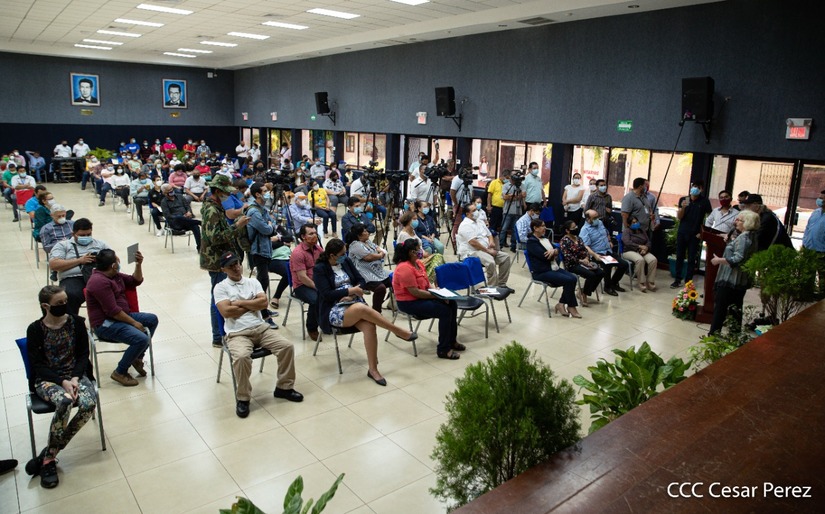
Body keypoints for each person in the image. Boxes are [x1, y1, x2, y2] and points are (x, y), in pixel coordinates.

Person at [314, 239, 416, 386]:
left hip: (353, 301)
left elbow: (361, 280)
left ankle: (373, 369)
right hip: (334, 308)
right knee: (361, 309)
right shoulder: (320, 269)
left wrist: (353, 294)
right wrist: (350, 290)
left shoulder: (346, 261)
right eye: (342, 254)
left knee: (370, 326)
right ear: (332, 255)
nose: (345, 256)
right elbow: (326, 294)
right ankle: (397, 330)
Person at [24, 285, 97, 488]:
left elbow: (83, 355)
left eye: (65, 301)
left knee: (88, 404)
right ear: (45, 306)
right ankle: (49, 462)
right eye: (59, 303)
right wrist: (62, 382)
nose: (65, 305)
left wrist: (74, 378)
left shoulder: (77, 323)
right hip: (48, 379)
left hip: (75, 375)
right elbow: (38, 365)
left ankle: (49, 453)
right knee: (65, 401)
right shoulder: (35, 329)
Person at [214, 251, 301, 418]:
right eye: (231, 266)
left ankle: (284, 388)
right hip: (237, 333)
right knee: (241, 357)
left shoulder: (253, 282)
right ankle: (243, 398)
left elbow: (263, 303)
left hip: (261, 328)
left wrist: (239, 303)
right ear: (223, 270)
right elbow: (226, 311)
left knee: (287, 347)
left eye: (237, 263)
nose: (236, 268)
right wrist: (252, 304)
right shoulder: (221, 287)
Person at [85, 249, 158, 387]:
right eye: (117, 260)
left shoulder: (114, 275)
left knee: (152, 319)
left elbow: (135, 281)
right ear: (113, 265)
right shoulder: (98, 282)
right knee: (141, 338)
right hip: (105, 323)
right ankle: (120, 371)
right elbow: (113, 311)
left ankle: (137, 357)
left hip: (123, 316)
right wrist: (134, 323)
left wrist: (138, 264)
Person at [201, 175, 251, 347]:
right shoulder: (212, 210)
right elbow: (215, 238)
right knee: (218, 298)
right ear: (217, 191)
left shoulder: (216, 206)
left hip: (221, 257)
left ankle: (223, 332)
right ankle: (218, 336)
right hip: (216, 260)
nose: (228, 195)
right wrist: (237, 226)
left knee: (222, 296)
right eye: (225, 192)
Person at [392, 239, 462, 360]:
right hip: (409, 302)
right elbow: (415, 292)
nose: (421, 251)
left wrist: (437, 291)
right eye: (418, 249)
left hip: (422, 297)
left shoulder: (418, 263)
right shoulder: (404, 268)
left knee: (452, 303)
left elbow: (427, 282)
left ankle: (452, 341)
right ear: (411, 252)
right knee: (444, 311)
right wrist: (437, 296)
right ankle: (443, 349)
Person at [709, 210, 760, 334]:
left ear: (746, 223)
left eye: (739, 220)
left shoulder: (744, 238)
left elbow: (738, 259)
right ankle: (734, 335)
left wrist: (719, 260)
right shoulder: (752, 236)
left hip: (730, 279)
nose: (735, 222)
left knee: (721, 308)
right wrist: (730, 241)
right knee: (735, 308)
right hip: (740, 280)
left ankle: (713, 334)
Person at [48, 219, 110, 316]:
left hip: (97, 276)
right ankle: (72, 321)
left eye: (89, 234)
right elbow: (53, 265)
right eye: (82, 235)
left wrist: (101, 260)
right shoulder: (63, 245)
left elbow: (115, 261)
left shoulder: (100, 244)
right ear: (73, 234)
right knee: (70, 294)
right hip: (73, 278)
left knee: (115, 289)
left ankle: (109, 320)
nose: (86, 237)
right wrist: (80, 261)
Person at [526, 219, 581, 318]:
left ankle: (561, 304)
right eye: (542, 226)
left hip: (553, 267)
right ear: (535, 228)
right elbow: (545, 257)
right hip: (542, 272)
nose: (545, 228)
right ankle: (571, 307)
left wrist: (554, 251)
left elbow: (558, 248)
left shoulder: (544, 239)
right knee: (569, 280)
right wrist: (554, 253)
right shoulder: (531, 242)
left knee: (573, 278)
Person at [245, 183, 281, 328]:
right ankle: (263, 313)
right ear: (257, 194)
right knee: (262, 281)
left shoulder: (262, 209)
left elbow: (272, 223)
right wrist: (270, 226)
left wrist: (270, 225)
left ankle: (263, 308)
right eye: (265, 191)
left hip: (265, 248)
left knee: (263, 281)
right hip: (258, 250)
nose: (268, 193)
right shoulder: (254, 212)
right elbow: (267, 229)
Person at [456, 204, 512, 290]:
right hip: (472, 252)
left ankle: (501, 285)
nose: (476, 212)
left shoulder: (479, 221)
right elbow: (473, 242)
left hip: (485, 249)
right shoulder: (465, 225)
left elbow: (489, 234)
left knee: (505, 257)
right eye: (473, 210)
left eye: (476, 209)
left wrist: (491, 242)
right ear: (467, 213)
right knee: (490, 262)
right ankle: (492, 288)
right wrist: (488, 251)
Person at [671, 181, 712, 288]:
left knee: (691, 258)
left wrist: (702, 232)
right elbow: (679, 217)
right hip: (682, 232)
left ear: (701, 189)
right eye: (694, 186)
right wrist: (683, 207)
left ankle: (688, 281)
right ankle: (677, 279)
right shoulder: (685, 199)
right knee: (679, 256)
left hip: (695, 234)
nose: (695, 189)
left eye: (698, 187)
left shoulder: (704, 201)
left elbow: (709, 218)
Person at [580, 209, 629, 296]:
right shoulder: (585, 230)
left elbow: (606, 232)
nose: (597, 219)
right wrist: (595, 255)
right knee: (608, 264)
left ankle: (613, 283)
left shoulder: (599, 223)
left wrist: (609, 240)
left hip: (608, 250)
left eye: (597, 217)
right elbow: (586, 247)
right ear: (588, 219)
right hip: (597, 253)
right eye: (594, 218)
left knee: (624, 264)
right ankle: (607, 287)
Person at [560, 219, 605, 307]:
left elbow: (585, 250)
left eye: (576, 227)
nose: (576, 229)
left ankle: (584, 290)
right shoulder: (564, 241)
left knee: (600, 273)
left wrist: (587, 258)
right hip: (572, 264)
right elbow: (568, 256)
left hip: (584, 262)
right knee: (591, 275)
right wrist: (581, 261)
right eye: (573, 228)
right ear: (567, 230)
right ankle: (584, 294)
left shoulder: (578, 238)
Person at [348, 223, 392, 313]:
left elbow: (377, 247)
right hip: (365, 274)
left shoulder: (367, 242)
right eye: (365, 231)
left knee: (397, 278)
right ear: (359, 235)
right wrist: (380, 255)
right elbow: (368, 257)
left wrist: (380, 251)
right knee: (380, 288)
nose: (367, 232)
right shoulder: (355, 245)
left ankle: (393, 303)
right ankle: (376, 311)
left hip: (377, 271)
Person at [290, 223, 323, 341]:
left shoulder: (318, 249)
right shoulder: (298, 253)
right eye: (311, 234)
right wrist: (318, 287)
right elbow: (302, 277)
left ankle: (328, 323)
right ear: (303, 237)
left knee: (334, 293)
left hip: (316, 281)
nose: (315, 236)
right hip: (302, 286)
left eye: (315, 233)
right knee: (316, 300)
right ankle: (312, 328)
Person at [397, 211, 445, 283]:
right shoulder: (404, 235)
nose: (416, 221)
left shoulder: (413, 231)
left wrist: (423, 253)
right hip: (411, 261)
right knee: (438, 258)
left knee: (438, 258)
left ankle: (434, 281)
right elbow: (407, 253)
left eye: (417, 219)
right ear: (408, 221)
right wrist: (422, 254)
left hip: (419, 257)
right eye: (414, 219)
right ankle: (428, 281)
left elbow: (419, 246)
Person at [621, 215, 659, 292]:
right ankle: (641, 282)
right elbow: (627, 242)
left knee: (653, 260)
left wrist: (646, 248)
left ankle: (650, 281)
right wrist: (639, 246)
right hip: (629, 251)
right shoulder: (626, 231)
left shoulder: (642, 230)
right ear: (629, 224)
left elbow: (648, 241)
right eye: (633, 223)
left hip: (643, 250)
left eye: (636, 222)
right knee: (640, 260)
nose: (636, 224)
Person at [160, 184, 202, 250]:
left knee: (195, 226)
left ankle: (199, 247)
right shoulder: (164, 202)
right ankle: (199, 222)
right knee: (179, 217)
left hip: (186, 220)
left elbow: (187, 206)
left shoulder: (180, 197)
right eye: (169, 190)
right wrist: (181, 216)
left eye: (171, 189)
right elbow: (168, 216)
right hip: (175, 223)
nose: (171, 191)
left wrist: (189, 212)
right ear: (164, 193)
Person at [802, 189, 825, 298]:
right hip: (809, 249)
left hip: (822, 252)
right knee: (807, 274)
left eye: (823, 199)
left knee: (823, 276)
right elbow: (808, 228)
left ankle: (822, 298)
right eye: (820, 198)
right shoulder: (816, 212)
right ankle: (806, 295)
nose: (820, 200)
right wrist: (804, 242)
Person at [500, 170, 526, 251]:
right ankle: (500, 245)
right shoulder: (506, 185)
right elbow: (505, 197)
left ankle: (513, 246)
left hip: (518, 210)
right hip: (507, 210)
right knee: (504, 228)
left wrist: (512, 196)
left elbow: (524, 195)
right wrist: (517, 196)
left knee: (515, 229)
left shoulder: (521, 185)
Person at [486, 169, 506, 236]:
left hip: (505, 208)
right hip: (495, 207)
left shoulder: (507, 184)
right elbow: (489, 195)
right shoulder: (494, 182)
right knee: (493, 224)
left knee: (501, 225)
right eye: (506, 178)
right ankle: (491, 237)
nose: (506, 180)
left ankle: (500, 239)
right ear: (502, 176)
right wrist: (489, 205)